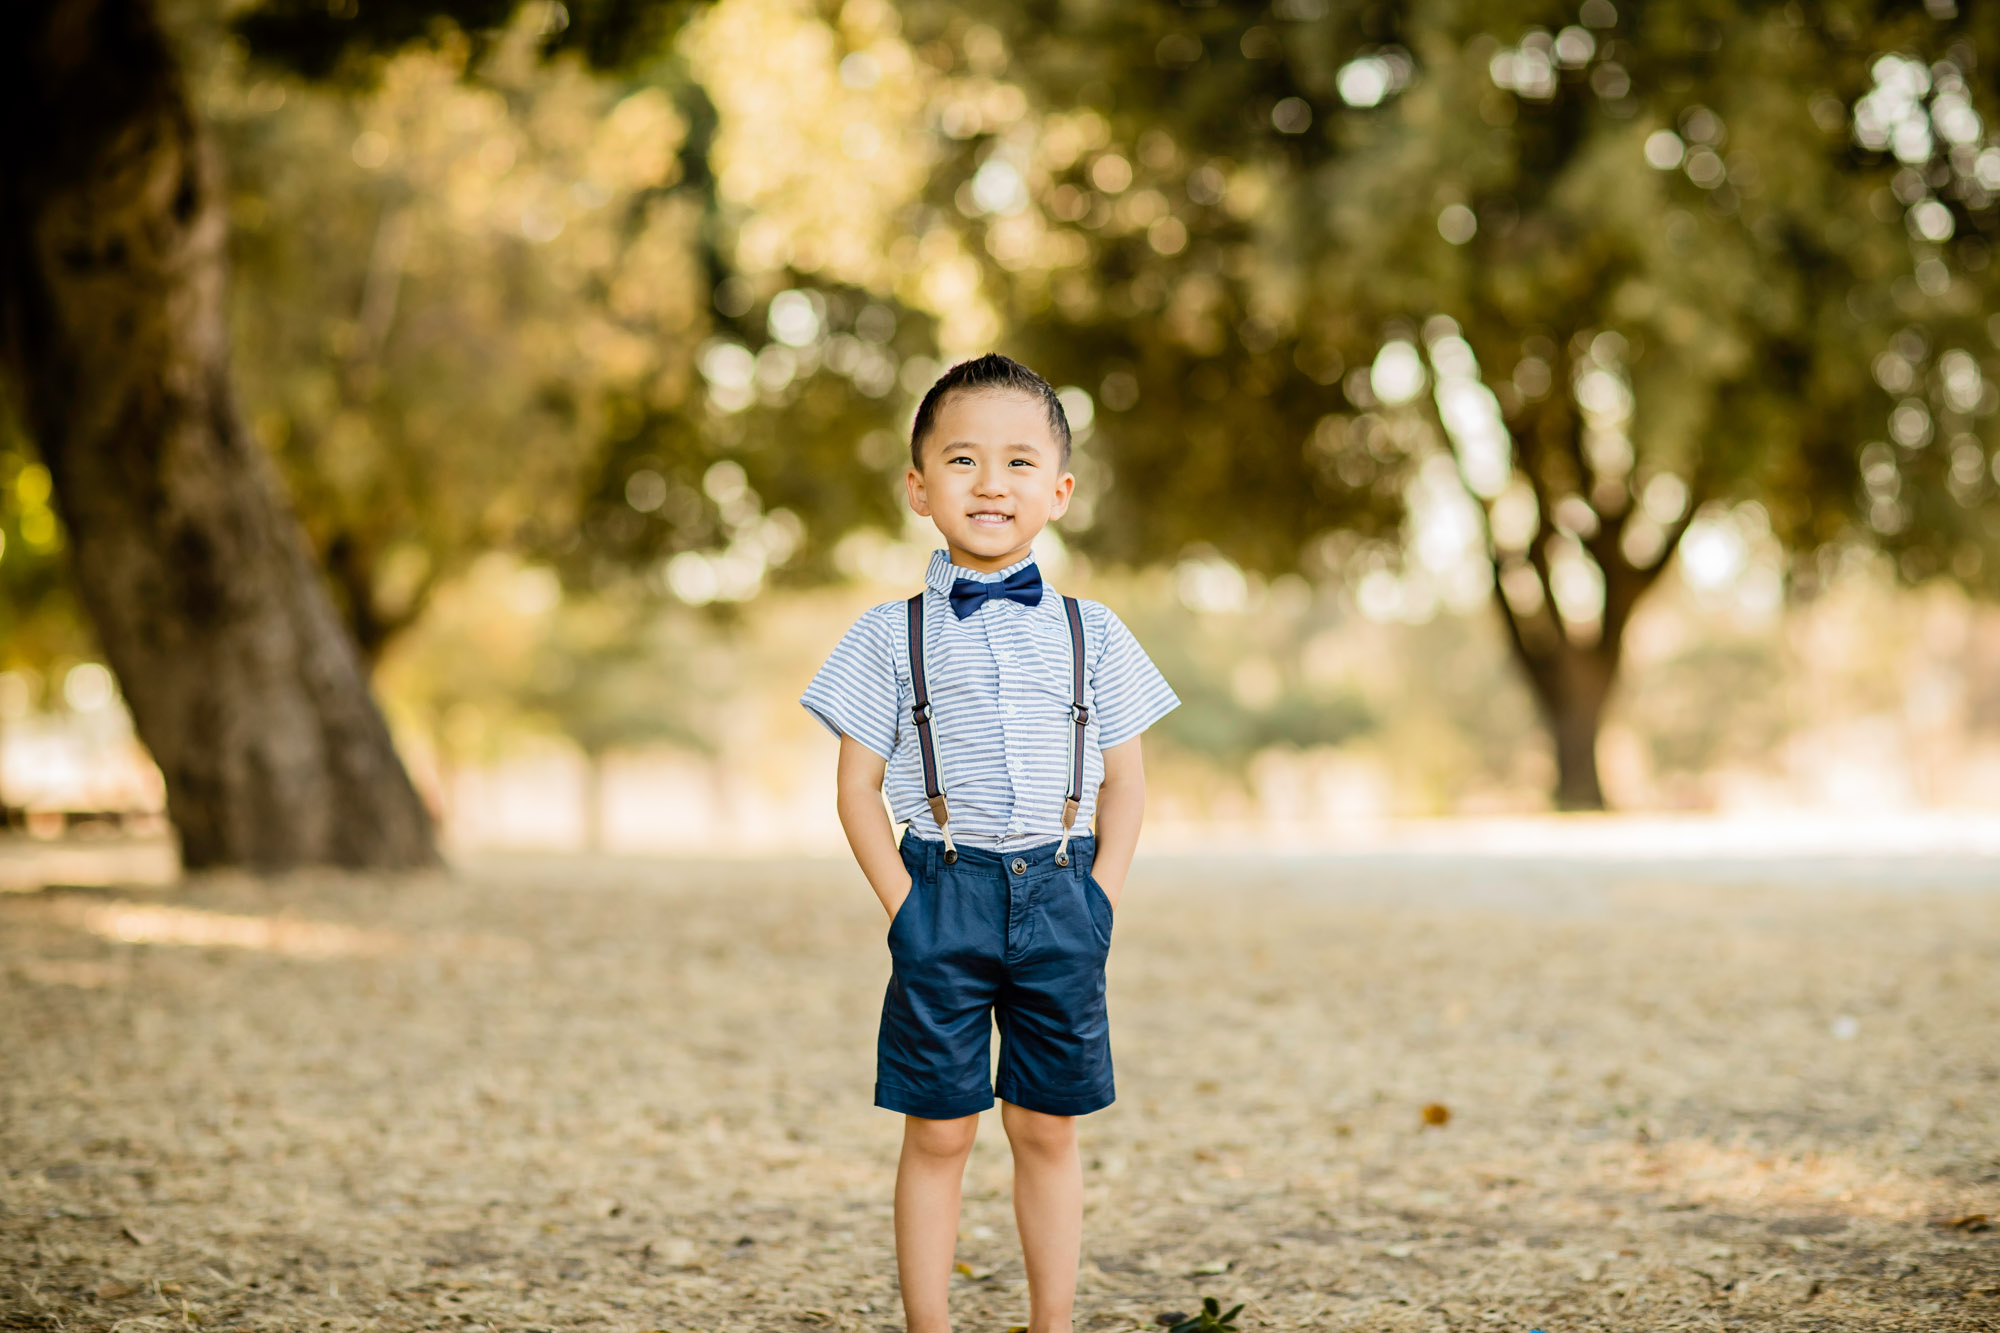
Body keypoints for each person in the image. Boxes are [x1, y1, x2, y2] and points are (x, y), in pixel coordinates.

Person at [800, 354, 1179, 1333]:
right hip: (943, 890)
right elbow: (855, 788)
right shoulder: (889, 635)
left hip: (1059, 891)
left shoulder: (1094, 631)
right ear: (918, 487)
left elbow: (1126, 777)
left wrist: (1100, 895)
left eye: (1017, 462)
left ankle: (1048, 1323)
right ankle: (930, 1324)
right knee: (939, 1128)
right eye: (961, 460)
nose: (989, 483)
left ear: (1057, 490)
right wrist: (907, 908)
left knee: (1046, 1125)